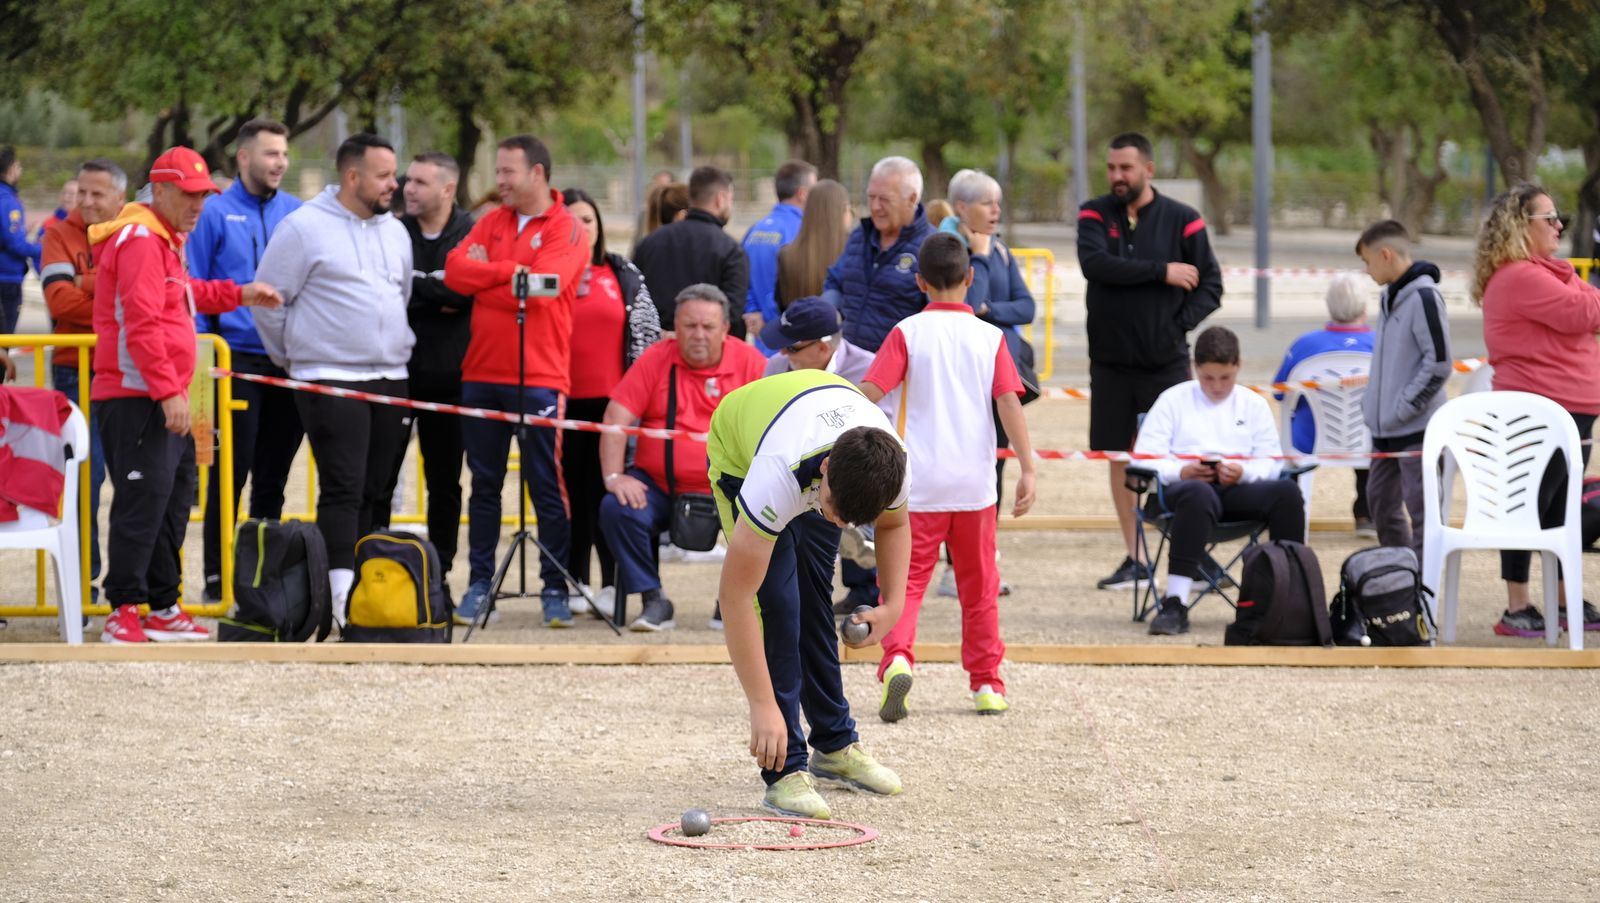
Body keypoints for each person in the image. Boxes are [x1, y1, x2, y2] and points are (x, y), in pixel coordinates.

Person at [89, 146, 282, 643]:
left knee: (171, 501)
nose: (200, 206)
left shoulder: (165, 239)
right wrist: (169, 391)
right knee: (141, 500)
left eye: (205, 196)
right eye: (192, 196)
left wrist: (241, 293)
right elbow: (142, 323)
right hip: (137, 395)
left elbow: (187, 296)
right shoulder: (139, 239)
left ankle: (163, 604)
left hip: (162, 393)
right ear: (163, 191)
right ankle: (123, 609)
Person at [708, 367, 911, 820]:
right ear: (825, 471)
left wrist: (892, 606)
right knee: (777, 604)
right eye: (835, 512)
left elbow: (895, 524)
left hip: (814, 426)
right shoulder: (776, 474)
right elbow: (736, 598)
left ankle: (835, 745)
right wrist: (761, 705)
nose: (838, 525)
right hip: (743, 449)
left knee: (816, 597)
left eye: (849, 522)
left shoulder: (889, 463)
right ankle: (783, 771)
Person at [859, 233, 1037, 718]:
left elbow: (872, 390)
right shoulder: (991, 337)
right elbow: (1008, 402)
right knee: (979, 588)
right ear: (971, 278)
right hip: (975, 486)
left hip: (916, 485)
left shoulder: (906, 332)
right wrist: (1027, 467)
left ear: (919, 282)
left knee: (905, 585)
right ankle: (986, 683)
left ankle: (896, 658)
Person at [253, 133, 415, 616]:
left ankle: (370, 582)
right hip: (327, 375)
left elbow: (399, 295)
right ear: (352, 177)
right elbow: (269, 303)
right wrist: (297, 359)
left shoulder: (395, 231)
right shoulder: (303, 228)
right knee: (344, 485)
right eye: (384, 176)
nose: (394, 184)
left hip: (390, 374)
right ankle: (338, 596)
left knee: (379, 486)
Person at [442, 134, 589, 628]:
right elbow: (455, 272)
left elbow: (546, 292)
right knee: (483, 486)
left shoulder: (567, 228)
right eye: (498, 171)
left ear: (538, 174)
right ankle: (480, 583)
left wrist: (490, 276)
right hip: (481, 374)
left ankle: (553, 588)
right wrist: (512, 276)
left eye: (508, 172)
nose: (499, 181)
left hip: (541, 378)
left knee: (545, 486)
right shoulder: (490, 220)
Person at [1078, 132, 1223, 592]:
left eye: (1127, 168)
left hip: (1165, 362)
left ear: (1149, 169)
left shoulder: (1184, 220)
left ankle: (1193, 556)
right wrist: (1162, 271)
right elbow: (1095, 265)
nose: (1118, 176)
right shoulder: (1094, 213)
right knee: (1119, 457)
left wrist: (1176, 323)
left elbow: (1211, 285)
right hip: (1110, 363)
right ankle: (1136, 558)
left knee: (1177, 456)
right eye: (1112, 168)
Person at [1472, 183, 1600, 636]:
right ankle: (1520, 606)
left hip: (1565, 409)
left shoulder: (1541, 272)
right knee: (1531, 507)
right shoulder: (1520, 275)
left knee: (1557, 509)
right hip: (1542, 411)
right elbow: (1584, 313)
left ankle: (1561, 603)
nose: (1559, 225)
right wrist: (1588, 298)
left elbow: (1581, 304)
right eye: (1550, 218)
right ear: (1520, 226)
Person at [596, 285, 763, 630]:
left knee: (772, 514)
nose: (698, 335)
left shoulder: (752, 363)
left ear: (726, 329)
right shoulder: (656, 357)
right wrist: (614, 477)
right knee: (616, 509)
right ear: (675, 326)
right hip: (659, 487)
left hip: (732, 492)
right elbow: (615, 419)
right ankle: (653, 599)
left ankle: (734, 602)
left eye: (708, 326)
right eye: (689, 326)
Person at [190, 118, 306, 602]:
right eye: (270, 154)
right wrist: (201, 366)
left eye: (283, 154)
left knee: (274, 477)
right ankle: (218, 578)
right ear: (243, 158)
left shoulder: (299, 213)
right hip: (232, 362)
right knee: (226, 475)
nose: (279, 162)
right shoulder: (214, 213)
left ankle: (261, 577)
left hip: (287, 362)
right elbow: (193, 291)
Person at [1132, 326, 1302, 636]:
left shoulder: (1253, 404)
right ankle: (1175, 603)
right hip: (1180, 495)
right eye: (1208, 378)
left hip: (1237, 492)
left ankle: (1288, 599)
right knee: (1198, 493)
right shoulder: (1172, 400)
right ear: (1194, 368)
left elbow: (1271, 461)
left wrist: (1243, 472)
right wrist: (1181, 471)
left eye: (1225, 377)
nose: (1217, 386)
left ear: (1238, 366)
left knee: (1287, 492)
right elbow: (1140, 459)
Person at [365, 153, 477, 583]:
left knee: (445, 483)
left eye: (420, 183)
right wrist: (437, 290)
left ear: (448, 189)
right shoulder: (391, 230)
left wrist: (417, 286)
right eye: (407, 180)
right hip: (396, 374)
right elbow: (384, 290)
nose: (407, 189)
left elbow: (467, 290)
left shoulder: (472, 232)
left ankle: (440, 572)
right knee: (380, 476)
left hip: (452, 380)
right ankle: (369, 561)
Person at [936, 168, 1037, 600]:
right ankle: (954, 570)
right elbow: (969, 305)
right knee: (959, 470)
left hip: (999, 377)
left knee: (992, 468)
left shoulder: (1001, 249)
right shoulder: (948, 248)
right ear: (962, 208)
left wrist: (992, 307)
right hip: (962, 379)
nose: (996, 211)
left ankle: (981, 564)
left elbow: (1025, 306)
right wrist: (977, 259)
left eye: (998, 203)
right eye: (986, 203)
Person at [562, 186, 662, 613]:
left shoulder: (622, 274)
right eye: (569, 220)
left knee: (607, 494)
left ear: (599, 225)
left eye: (587, 219)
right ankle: (572, 579)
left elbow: (648, 336)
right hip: (560, 407)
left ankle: (610, 583)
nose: (580, 228)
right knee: (567, 497)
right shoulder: (545, 275)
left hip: (613, 408)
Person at [40, 158, 123, 597]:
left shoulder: (133, 232)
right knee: (82, 483)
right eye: (83, 192)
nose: (88, 202)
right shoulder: (57, 233)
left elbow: (153, 297)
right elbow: (58, 302)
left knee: (132, 481)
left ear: (119, 198)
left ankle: (128, 588)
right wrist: (120, 306)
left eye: (98, 194)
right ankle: (80, 585)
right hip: (75, 370)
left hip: (128, 371)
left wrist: (86, 282)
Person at [1355, 221, 1450, 565]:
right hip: (1384, 431)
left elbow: (1439, 362)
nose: (1366, 271)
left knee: (1422, 509)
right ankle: (1400, 569)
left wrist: (1404, 406)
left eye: (1368, 262)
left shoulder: (1424, 297)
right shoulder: (1388, 298)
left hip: (1416, 428)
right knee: (1379, 501)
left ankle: (1423, 588)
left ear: (1385, 254)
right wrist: (1374, 407)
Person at [1274, 271, 1377, 536]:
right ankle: (1367, 513)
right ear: (1365, 308)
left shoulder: (1305, 345)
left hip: (1309, 440)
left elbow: (1279, 392)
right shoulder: (1381, 345)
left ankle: (1291, 514)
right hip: (1368, 441)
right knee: (1369, 420)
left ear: (1329, 307)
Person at [821, 156, 935, 354]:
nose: (874, 206)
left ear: (912, 199)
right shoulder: (860, 236)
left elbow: (940, 319)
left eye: (884, 199)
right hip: (850, 364)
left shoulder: (933, 247)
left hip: (901, 375)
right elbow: (835, 281)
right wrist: (827, 314)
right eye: (871, 197)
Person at [633, 166, 749, 335]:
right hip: (709, 351)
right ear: (720, 199)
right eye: (731, 199)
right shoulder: (730, 250)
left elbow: (637, 304)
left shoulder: (649, 244)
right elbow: (732, 315)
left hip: (658, 351)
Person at [742, 160, 817, 351]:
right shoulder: (803, 232)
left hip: (763, 340)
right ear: (803, 193)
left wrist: (753, 311)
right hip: (794, 343)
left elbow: (742, 278)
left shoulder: (755, 229)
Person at [759, 295, 875, 383]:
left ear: (823, 349)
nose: (783, 352)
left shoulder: (869, 373)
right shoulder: (777, 365)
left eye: (791, 347)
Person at [775, 179, 852, 310]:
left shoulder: (786, 255)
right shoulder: (853, 255)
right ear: (842, 211)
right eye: (850, 209)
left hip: (797, 327)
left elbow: (781, 304)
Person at [0, 146, 42, 334]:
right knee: (5, 339)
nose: (20, 171)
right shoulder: (7, 201)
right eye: (18, 166)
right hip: (6, 278)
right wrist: (42, 248)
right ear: (9, 170)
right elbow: (14, 243)